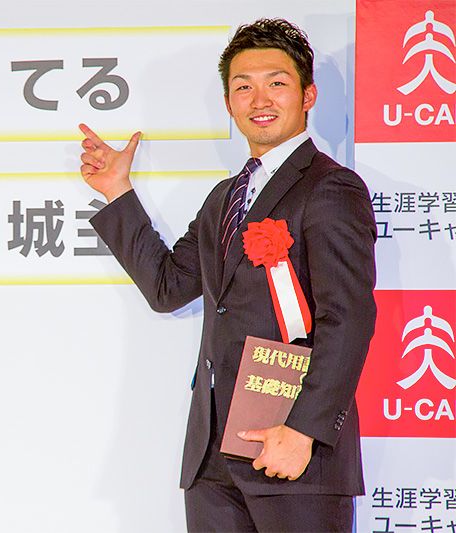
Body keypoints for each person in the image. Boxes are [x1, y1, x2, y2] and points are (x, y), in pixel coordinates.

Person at [78, 19, 377, 532]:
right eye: (243, 87)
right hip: (213, 457)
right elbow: (169, 287)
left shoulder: (331, 188)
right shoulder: (225, 197)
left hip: (293, 452)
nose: (259, 99)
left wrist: (304, 431)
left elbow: (348, 319)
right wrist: (117, 193)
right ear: (228, 103)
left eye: (276, 83)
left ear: (308, 95)